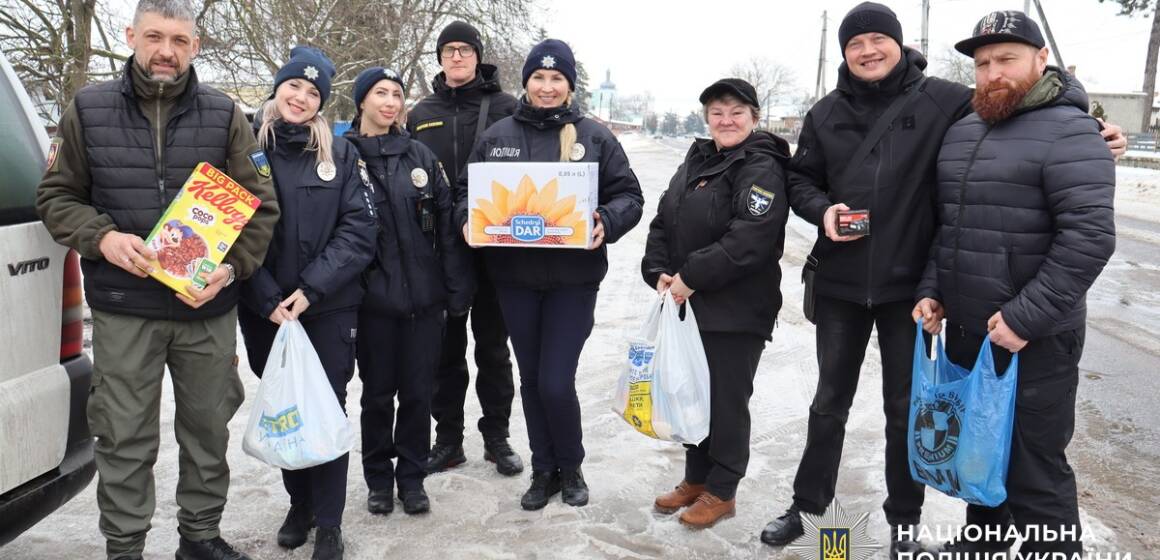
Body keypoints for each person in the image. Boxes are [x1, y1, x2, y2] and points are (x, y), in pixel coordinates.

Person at [761, 2, 1127, 555]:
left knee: (912, 410)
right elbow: (802, 180)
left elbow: (1037, 112)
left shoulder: (946, 101)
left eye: (878, 39)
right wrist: (821, 210)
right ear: (844, 53)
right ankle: (809, 508)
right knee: (830, 404)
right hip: (849, 285)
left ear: (899, 44)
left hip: (912, 289)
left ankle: (905, 524)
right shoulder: (827, 112)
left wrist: (1095, 127)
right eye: (855, 43)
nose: (867, 51)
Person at [35, 1, 279, 558]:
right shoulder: (88, 109)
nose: (166, 51)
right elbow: (56, 196)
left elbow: (261, 206)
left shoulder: (224, 114)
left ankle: (200, 537)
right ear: (131, 36)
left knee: (208, 430)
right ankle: (125, 548)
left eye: (179, 40)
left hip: (204, 310)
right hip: (125, 308)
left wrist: (229, 270)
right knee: (123, 435)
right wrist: (102, 238)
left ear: (196, 45)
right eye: (154, 37)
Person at [912, 11, 1115, 556]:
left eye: (1007, 59)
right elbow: (951, 226)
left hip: (1035, 339)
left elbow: (1090, 239)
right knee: (981, 452)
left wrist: (1024, 319)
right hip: (972, 331)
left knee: (1034, 471)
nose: (993, 72)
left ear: (1041, 59)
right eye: (982, 63)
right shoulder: (964, 131)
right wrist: (933, 290)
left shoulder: (1072, 131)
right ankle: (982, 547)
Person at [457, 38, 644, 510]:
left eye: (556, 78)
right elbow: (465, 192)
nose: (546, 86)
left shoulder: (594, 137)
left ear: (569, 84)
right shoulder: (497, 136)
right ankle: (544, 470)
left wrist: (606, 220)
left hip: (572, 282)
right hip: (514, 280)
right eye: (538, 77)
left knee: (556, 381)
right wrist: (466, 221)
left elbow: (629, 196)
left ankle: (571, 466)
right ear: (526, 82)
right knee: (532, 379)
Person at [237, 46, 376, 560]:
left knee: (327, 407)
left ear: (322, 102)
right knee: (287, 407)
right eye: (294, 85)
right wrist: (265, 294)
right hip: (264, 308)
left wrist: (312, 288)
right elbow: (227, 229)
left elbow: (360, 230)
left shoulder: (341, 154)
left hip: (328, 306)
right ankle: (300, 505)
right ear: (278, 88)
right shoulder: (243, 148)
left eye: (313, 92)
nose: (300, 97)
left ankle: (330, 522)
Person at [641, 78, 790, 529]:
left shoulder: (762, 166)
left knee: (726, 401)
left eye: (736, 112)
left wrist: (691, 276)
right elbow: (664, 220)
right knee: (693, 395)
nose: (726, 121)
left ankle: (722, 490)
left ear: (754, 118)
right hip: (689, 304)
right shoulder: (697, 160)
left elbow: (750, 239)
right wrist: (658, 270)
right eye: (717, 113)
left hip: (737, 310)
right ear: (707, 118)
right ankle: (696, 478)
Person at [344, 66, 474, 517]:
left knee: (419, 395)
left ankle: (412, 478)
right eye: (380, 93)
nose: (390, 102)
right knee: (377, 396)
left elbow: (448, 228)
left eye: (397, 95)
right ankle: (379, 479)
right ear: (362, 100)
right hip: (372, 305)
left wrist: (456, 292)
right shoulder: (343, 158)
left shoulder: (420, 157)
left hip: (424, 302)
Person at [408, 21, 523, 476]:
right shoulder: (421, 112)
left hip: (496, 249)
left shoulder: (508, 108)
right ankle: (448, 440)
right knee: (445, 353)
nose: (456, 56)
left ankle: (497, 438)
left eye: (465, 49)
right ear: (439, 58)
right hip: (440, 250)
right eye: (448, 50)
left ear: (478, 55)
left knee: (493, 349)